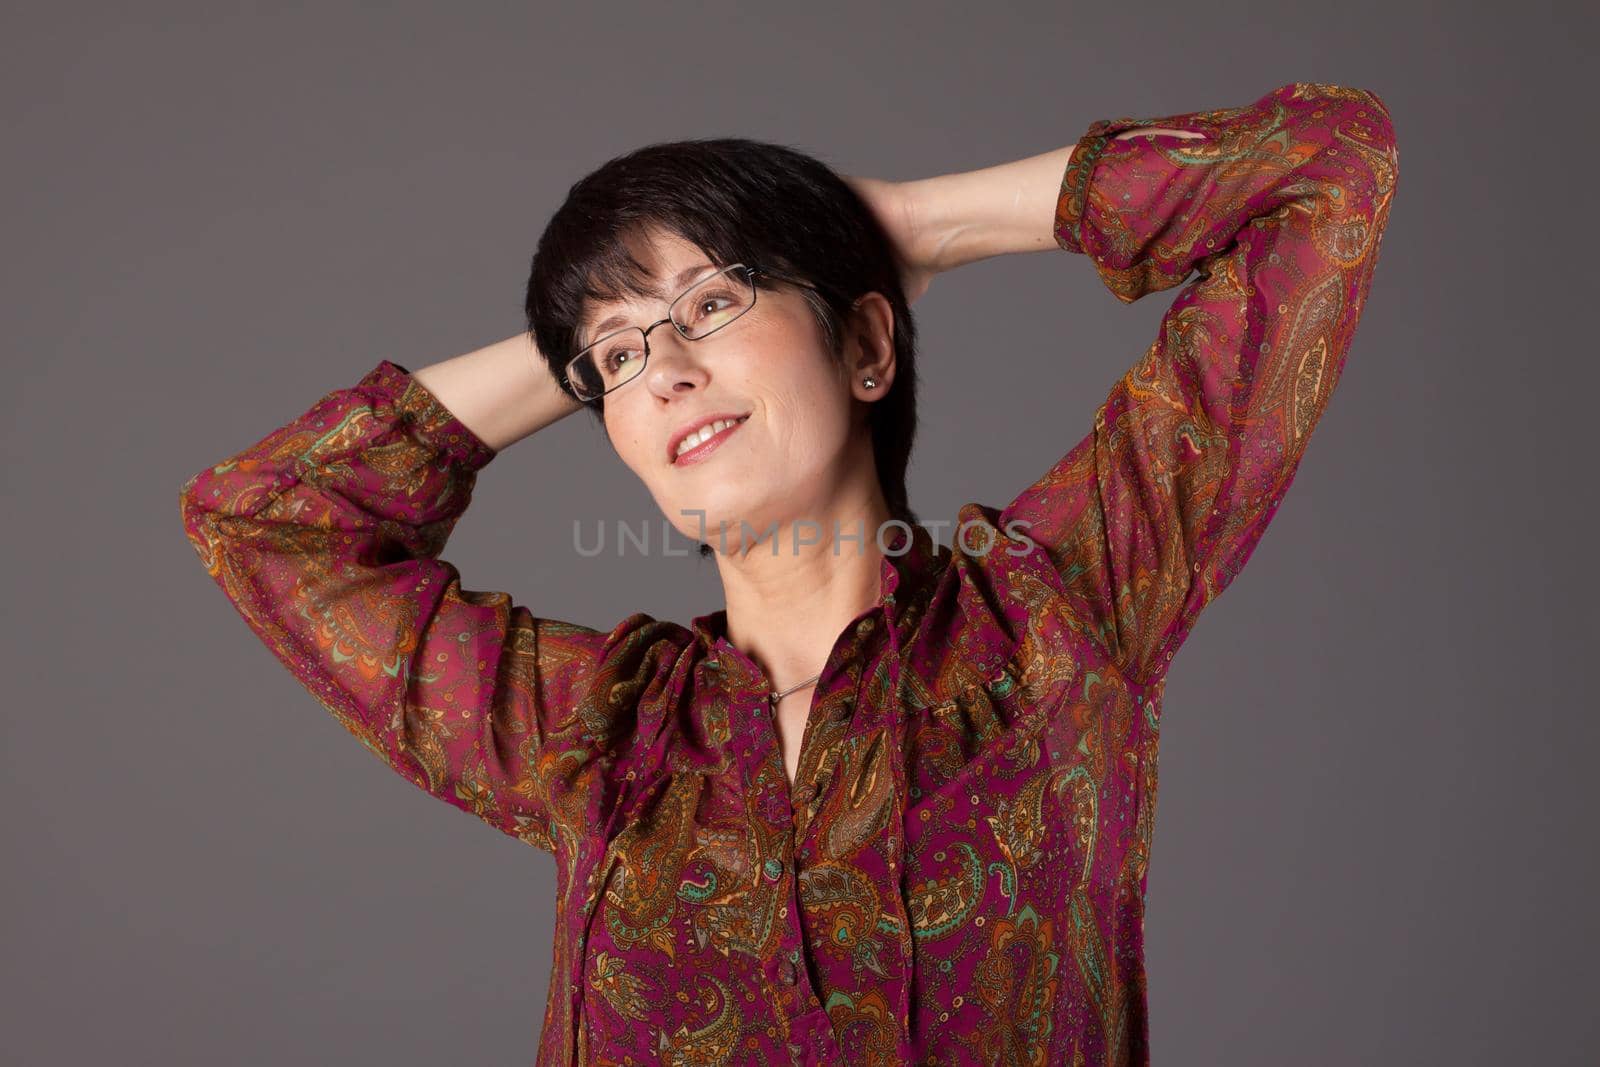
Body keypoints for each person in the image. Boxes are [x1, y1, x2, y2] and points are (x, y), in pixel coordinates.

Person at [179, 80, 1398, 1066]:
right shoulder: (598, 735)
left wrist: (907, 229)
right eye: (617, 360)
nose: (662, 372)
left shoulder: (1058, 617)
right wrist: (580, 349)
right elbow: (264, 519)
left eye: (712, 302)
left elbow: (1324, 166)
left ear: (865, 343)